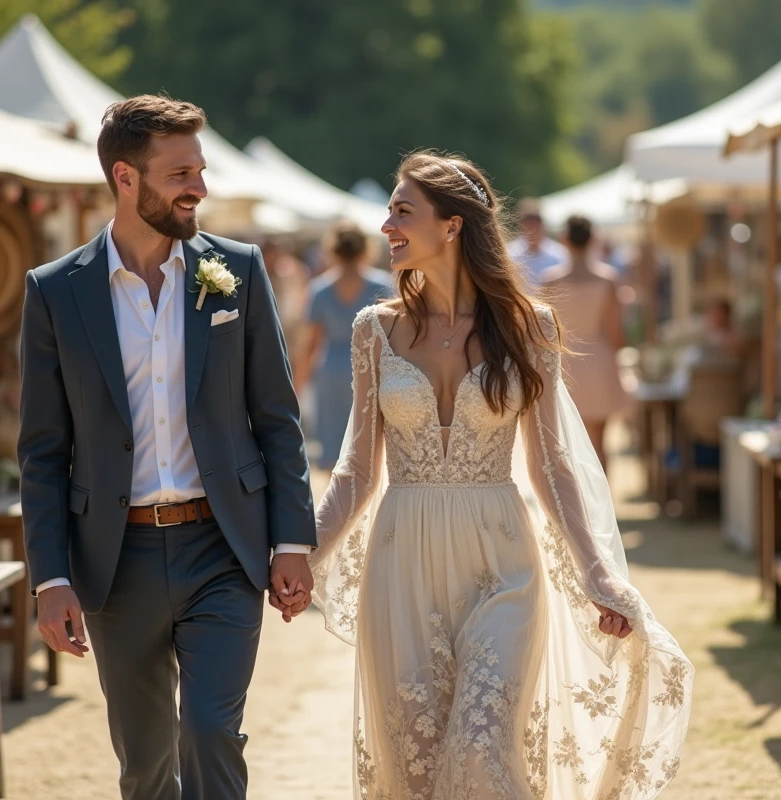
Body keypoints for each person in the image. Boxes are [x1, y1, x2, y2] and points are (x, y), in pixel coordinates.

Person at [307, 152, 692, 798]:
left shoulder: (529, 327)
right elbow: (354, 473)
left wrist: (597, 569)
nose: (386, 225)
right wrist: (301, 551)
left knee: (484, 751)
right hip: (403, 567)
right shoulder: (374, 331)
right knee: (419, 767)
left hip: (503, 563)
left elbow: (552, 466)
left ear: (451, 226)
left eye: (403, 211)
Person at [17, 95, 315, 800]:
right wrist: (50, 575)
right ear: (126, 178)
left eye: (200, 169)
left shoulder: (236, 270)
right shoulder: (56, 292)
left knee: (212, 731)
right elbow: (42, 448)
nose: (199, 188)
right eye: (180, 172)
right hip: (116, 561)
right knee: (145, 765)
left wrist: (292, 540)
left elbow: (276, 416)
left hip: (223, 545)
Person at [293, 221, 391, 470]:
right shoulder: (382, 285)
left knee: (333, 448)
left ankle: (336, 504)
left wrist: (296, 389)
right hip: (372, 369)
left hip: (331, 372)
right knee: (369, 444)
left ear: (332, 250)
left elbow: (310, 346)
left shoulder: (319, 290)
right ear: (366, 249)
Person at [541, 214, 628, 471]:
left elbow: (545, 335)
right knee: (600, 443)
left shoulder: (550, 281)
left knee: (565, 444)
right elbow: (615, 332)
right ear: (593, 240)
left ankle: (573, 507)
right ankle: (603, 508)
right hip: (599, 362)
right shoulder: (607, 279)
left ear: (564, 239)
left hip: (564, 364)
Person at [506, 198, 568, 284]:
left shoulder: (559, 253)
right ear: (521, 227)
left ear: (541, 226)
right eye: (528, 227)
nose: (532, 232)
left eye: (535, 226)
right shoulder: (510, 253)